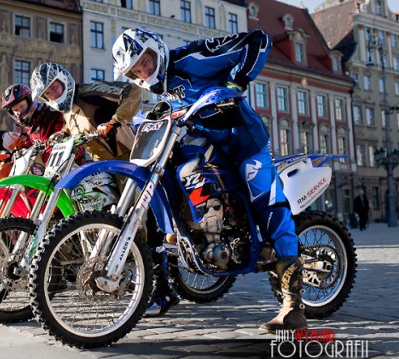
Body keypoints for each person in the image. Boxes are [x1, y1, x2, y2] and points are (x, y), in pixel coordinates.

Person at [112, 27, 305, 331]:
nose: (143, 72)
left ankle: (293, 305)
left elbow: (258, 40)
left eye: (144, 62)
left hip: (244, 141)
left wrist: (236, 82)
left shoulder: (193, 58)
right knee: (172, 177)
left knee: (267, 207)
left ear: (155, 49)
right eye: (136, 72)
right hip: (210, 147)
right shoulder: (164, 92)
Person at [30, 62, 140, 161]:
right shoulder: (67, 110)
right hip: (101, 165)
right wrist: (63, 133)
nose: (53, 94)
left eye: (54, 87)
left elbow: (132, 89)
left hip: (127, 157)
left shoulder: (90, 91)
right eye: (48, 93)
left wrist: (115, 121)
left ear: (63, 79)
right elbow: (77, 125)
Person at [1, 83, 66, 163]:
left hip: (71, 165)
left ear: (29, 101)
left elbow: (66, 134)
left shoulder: (51, 114)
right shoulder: (31, 124)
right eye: (15, 110)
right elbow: (32, 141)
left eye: (22, 106)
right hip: (50, 169)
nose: (19, 111)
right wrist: (22, 150)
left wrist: (58, 139)